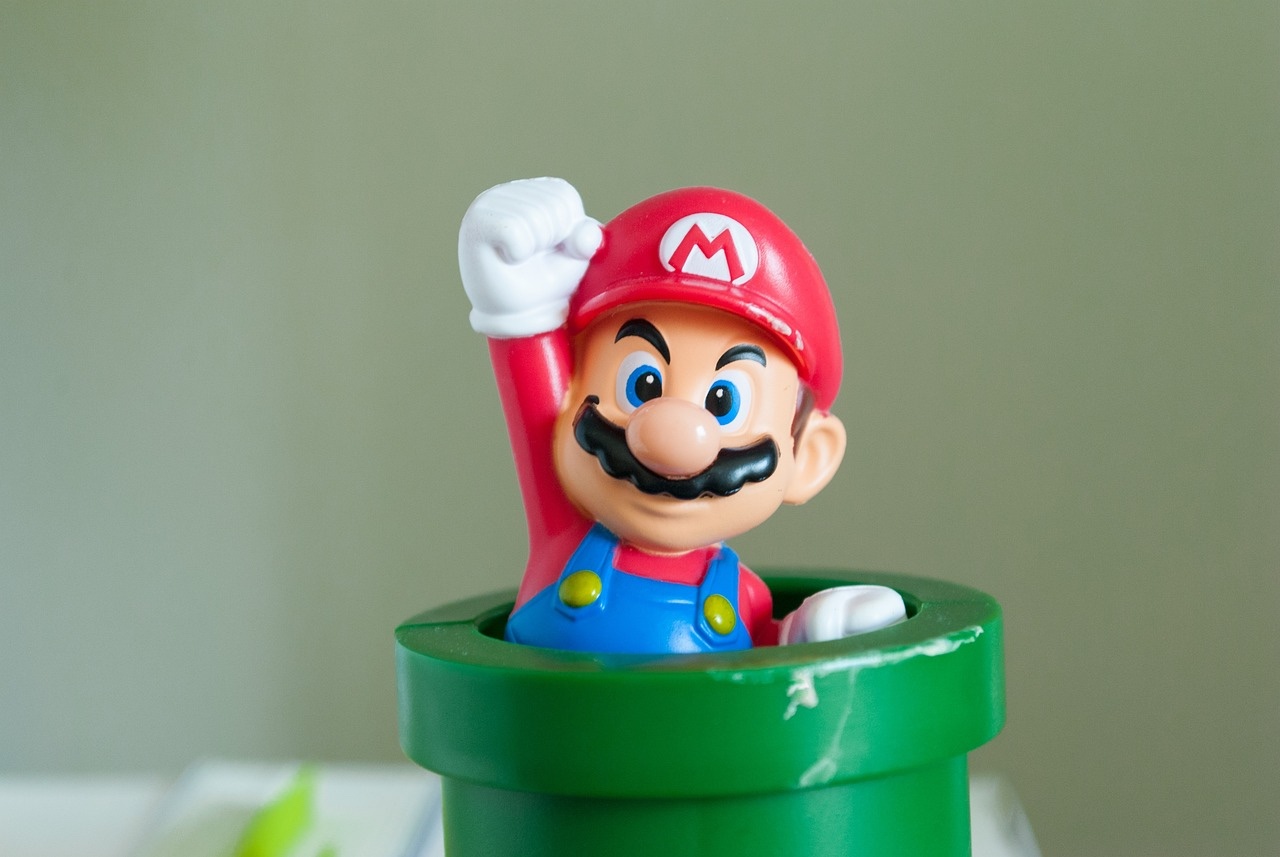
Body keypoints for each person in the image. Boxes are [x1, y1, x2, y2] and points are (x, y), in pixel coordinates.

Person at [458, 178, 905, 654]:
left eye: (723, 403)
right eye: (643, 386)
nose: (673, 440)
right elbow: (533, 398)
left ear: (809, 457)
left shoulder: (744, 600)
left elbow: (767, 666)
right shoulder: (565, 536)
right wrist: (515, 301)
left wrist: (814, 632)